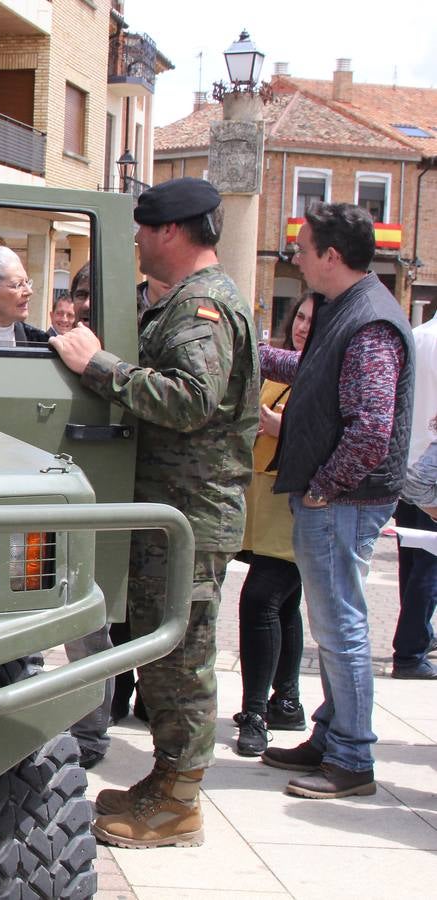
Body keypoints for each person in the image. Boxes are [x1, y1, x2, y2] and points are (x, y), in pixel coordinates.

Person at [48, 177, 258, 849]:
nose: (135, 240)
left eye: (142, 228)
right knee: (165, 649)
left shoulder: (202, 307)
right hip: (174, 510)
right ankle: (166, 784)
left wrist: (100, 366)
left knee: (181, 657)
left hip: (188, 515)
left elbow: (191, 399)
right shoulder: (191, 301)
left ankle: (178, 803)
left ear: (170, 231)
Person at [260, 202, 415, 800]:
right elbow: (317, 370)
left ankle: (351, 757)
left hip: (343, 502)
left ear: (330, 255)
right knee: (332, 624)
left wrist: (325, 488)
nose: (294, 257)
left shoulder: (370, 320)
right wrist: (253, 355)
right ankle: (331, 736)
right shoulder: (346, 310)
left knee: (342, 626)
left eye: (302, 248)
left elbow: (372, 427)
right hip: (337, 499)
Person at [233, 295, 315, 757]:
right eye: (299, 317)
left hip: (295, 500)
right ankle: (286, 700)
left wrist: (283, 428)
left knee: (261, 599)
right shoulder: (284, 366)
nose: (303, 326)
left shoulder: (326, 370)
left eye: (313, 320)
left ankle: (256, 712)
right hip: (264, 497)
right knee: (284, 604)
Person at [390, 313, 437, 679]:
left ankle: (416, 636)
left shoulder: (415, 336)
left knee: (413, 558)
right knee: (429, 565)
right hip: (431, 467)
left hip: (405, 459)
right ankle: (410, 650)